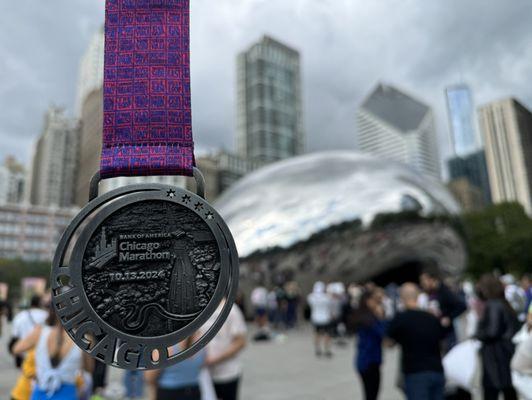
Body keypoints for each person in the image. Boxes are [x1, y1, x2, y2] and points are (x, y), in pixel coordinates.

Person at [12, 304, 89, 400]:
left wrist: (34, 362)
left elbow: (16, 349)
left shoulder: (40, 332)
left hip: (40, 392)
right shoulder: (83, 339)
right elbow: (89, 369)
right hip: (68, 394)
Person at [387, 283, 446, 400]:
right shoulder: (432, 318)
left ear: (402, 298)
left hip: (415, 373)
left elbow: (388, 343)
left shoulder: (400, 319)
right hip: (436, 370)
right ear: (418, 296)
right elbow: (442, 343)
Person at [475, 274, 520, 400]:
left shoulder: (493, 304)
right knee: (509, 390)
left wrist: (478, 334)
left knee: (492, 390)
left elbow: (492, 331)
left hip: (495, 356)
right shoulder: (504, 304)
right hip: (506, 353)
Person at [205, 301, 247, 400]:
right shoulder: (202, 310)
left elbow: (240, 342)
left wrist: (215, 359)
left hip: (227, 373)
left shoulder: (231, 310)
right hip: (205, 375)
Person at [420, 264, 466, 351]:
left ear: (432, 279)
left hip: (448, 336)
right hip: (437, 334)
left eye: (424, 280)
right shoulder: (430, 292)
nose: (422, 283)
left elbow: (462, 306)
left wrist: (449, 317)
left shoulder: (444, 292)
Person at [145, 334, 205, 400]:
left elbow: (149, 377)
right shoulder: (201, 344)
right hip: (193, 391)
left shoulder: (167, 348)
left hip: (170, 392)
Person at [353, 289, 386, 400]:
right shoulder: (368, 319)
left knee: (370, 394)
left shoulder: (365, 316)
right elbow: (382, 333)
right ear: (367, 301)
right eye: (375, 300)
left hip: (367, 360)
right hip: (369, 361)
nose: (377, 302)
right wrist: (381, 317)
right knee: (371, 394)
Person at [9, 295, 47, 368]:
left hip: (23, 353)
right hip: (42, 354)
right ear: (40, 303)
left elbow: (15, 335)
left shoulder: (20, 316)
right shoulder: (46, 315)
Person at [307, 281, 333, 357]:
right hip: (325, 318)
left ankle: (318, 349)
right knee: (327, 334)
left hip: (315, 318)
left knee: (316, 334)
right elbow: (330, 303)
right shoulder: (327, 297)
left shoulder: (310, 297)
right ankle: (327, 350)